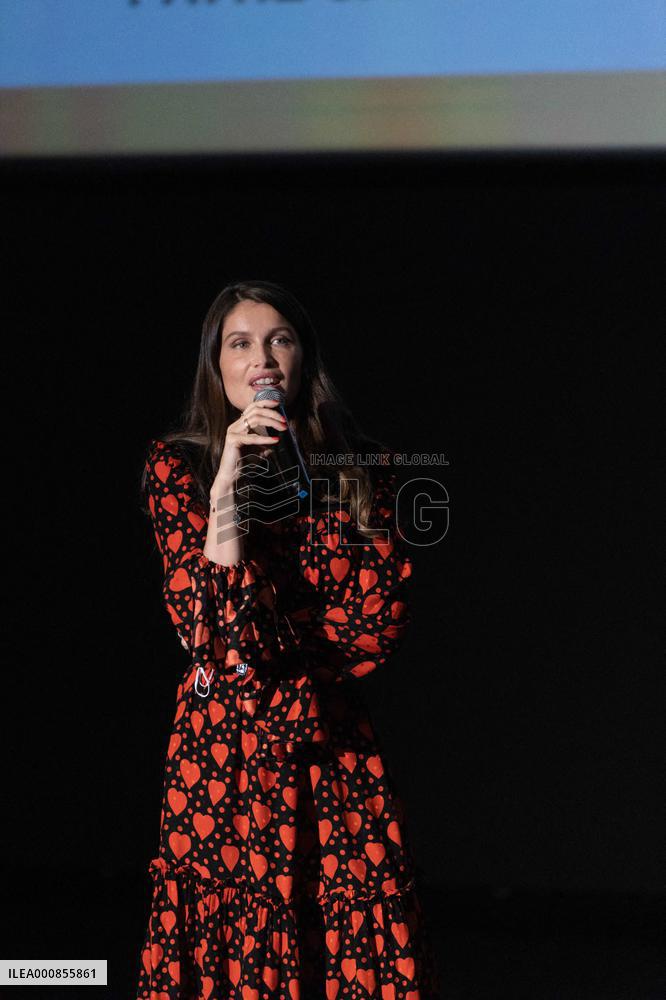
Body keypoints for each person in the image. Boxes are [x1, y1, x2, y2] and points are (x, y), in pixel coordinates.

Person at [135, 280, 441, 998]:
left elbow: (374, 625)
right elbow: (207, 629)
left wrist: (262, 645)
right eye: (239, 343)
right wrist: (229, 489)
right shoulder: (178, 466)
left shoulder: (364, 467)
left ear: (304, 357)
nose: (262, 358)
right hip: (223, 757)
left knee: (354, 949)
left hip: (331, 746)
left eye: (280, 339)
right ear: (216, 364)